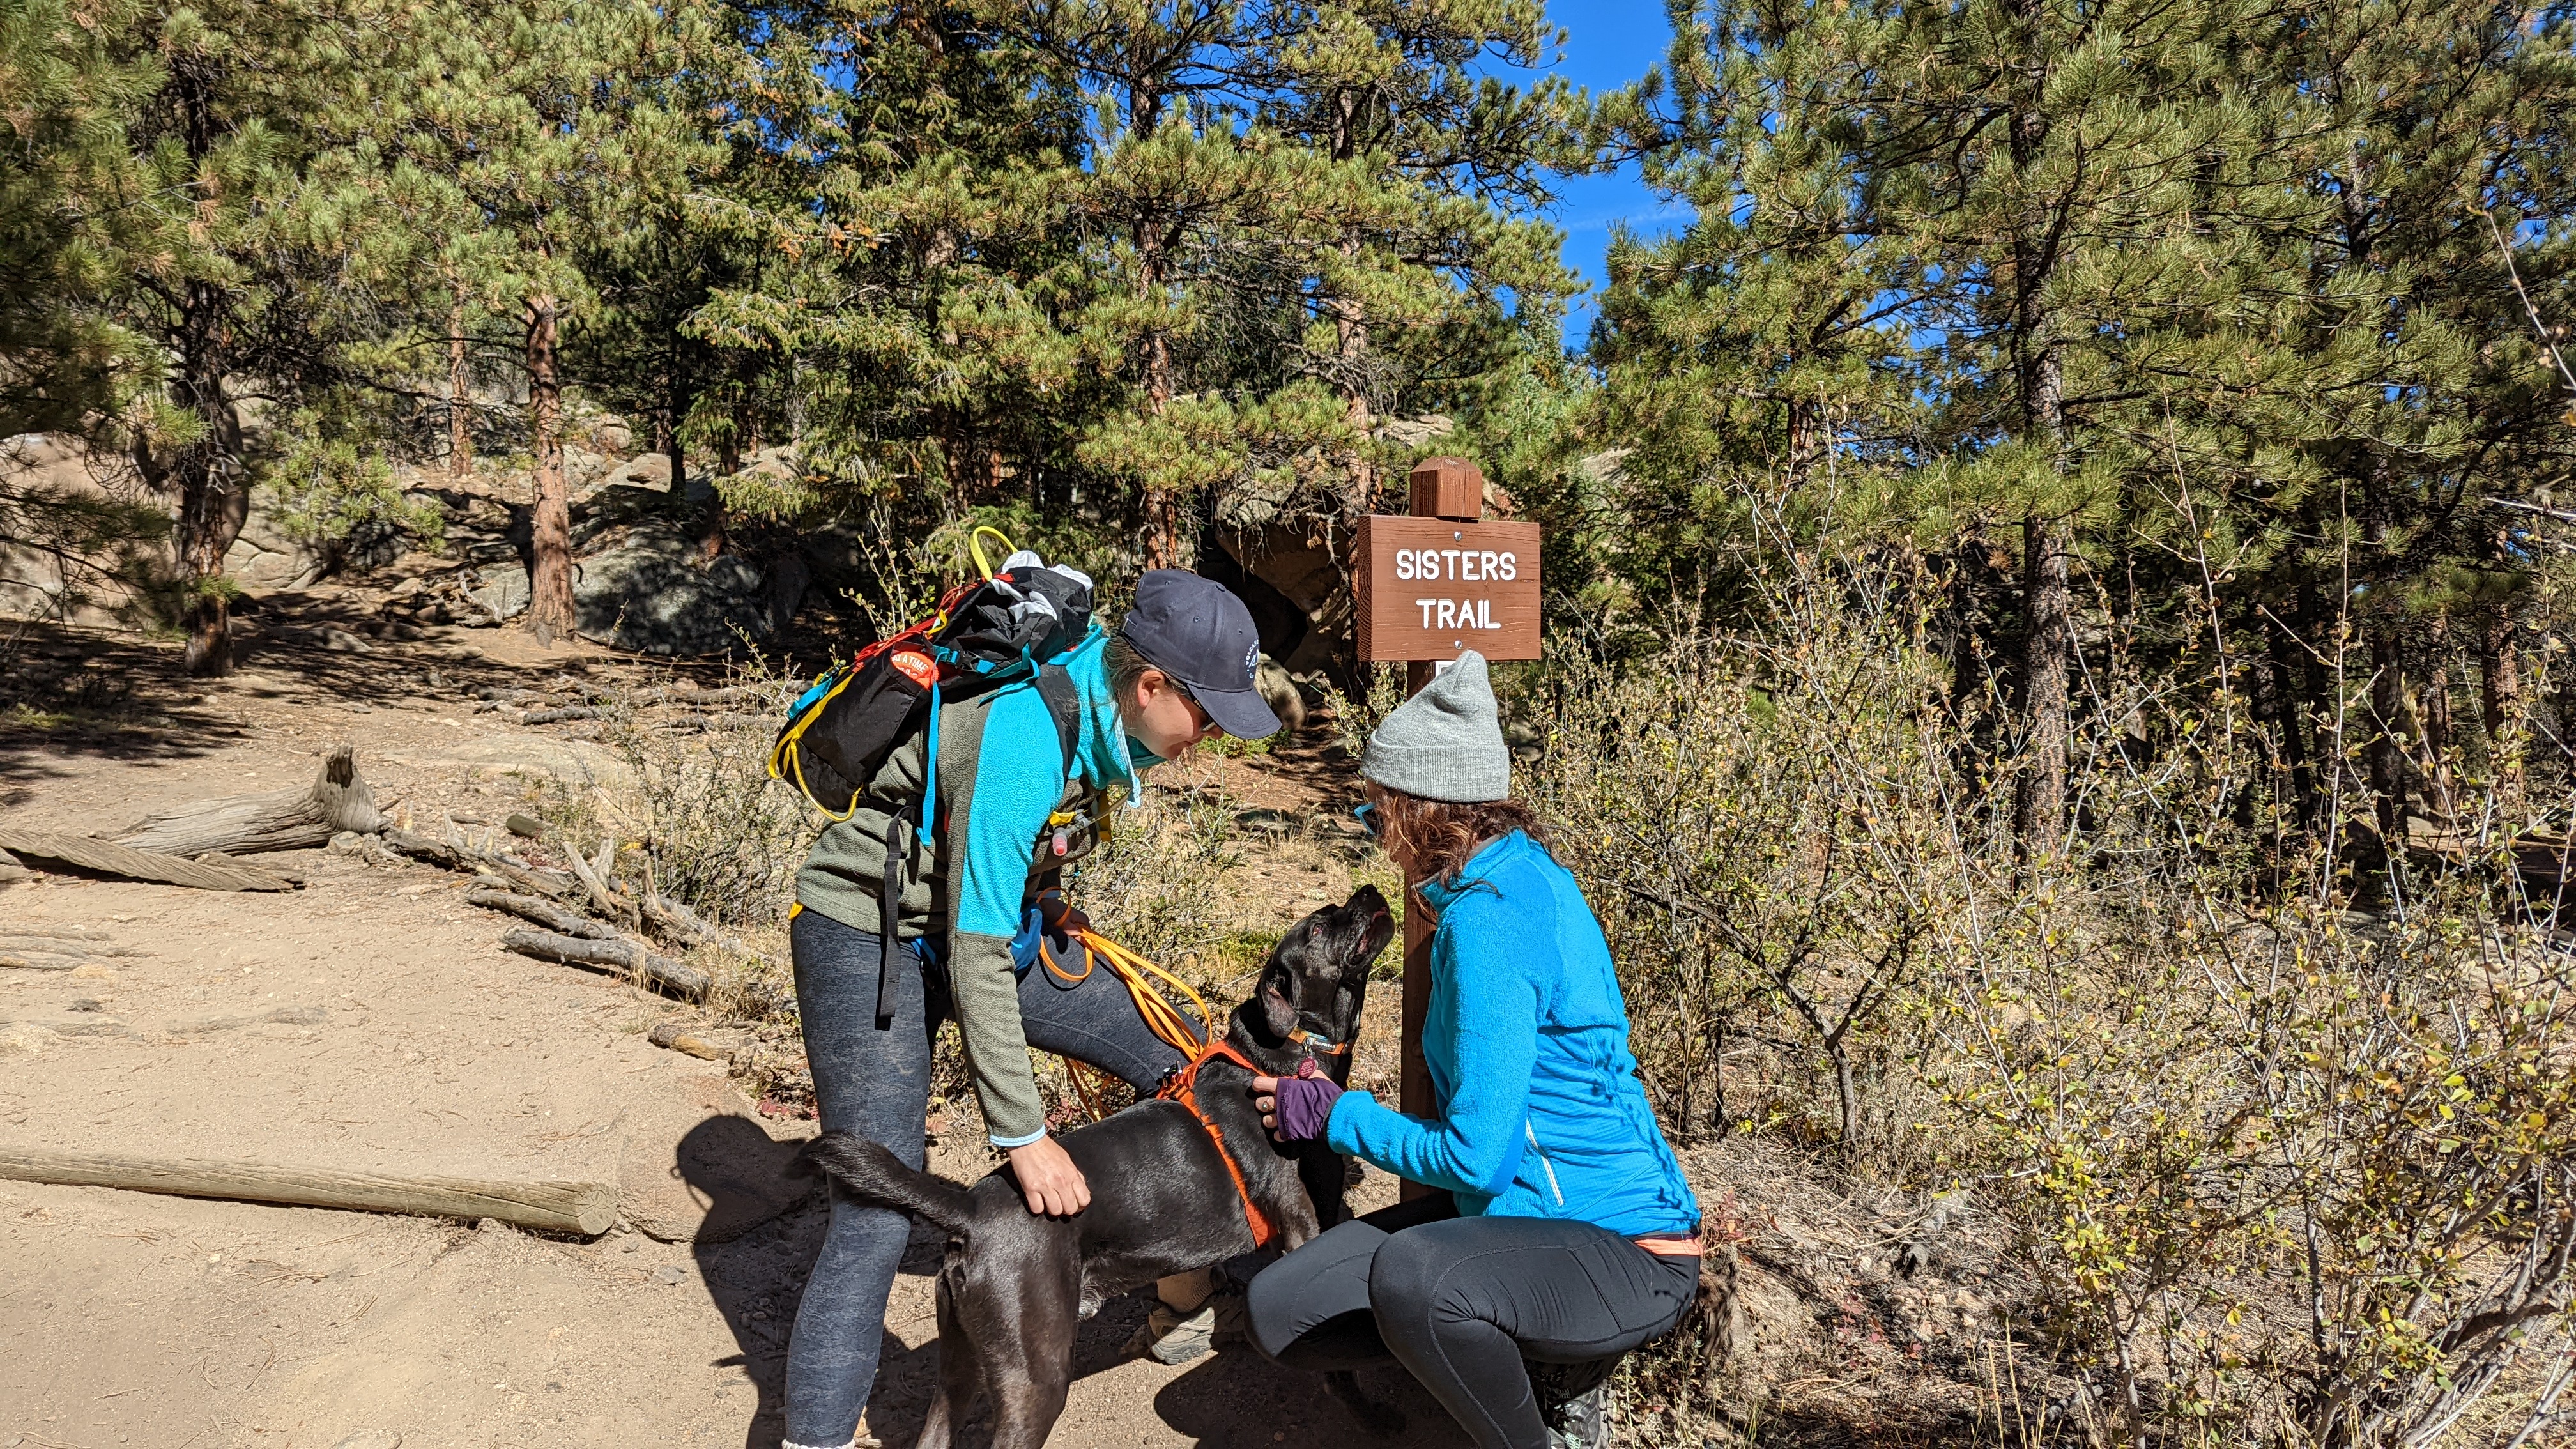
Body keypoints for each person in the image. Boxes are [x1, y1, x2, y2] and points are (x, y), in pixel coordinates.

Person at [782, 568, 1281, 1449]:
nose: (1209, 738)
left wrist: (1047, 899)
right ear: (1151, 685)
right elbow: (973, 950)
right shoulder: (1028, 733)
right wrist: (1022, 1135)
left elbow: (1001, 861)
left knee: (1187, 1063)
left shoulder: (1099, 706)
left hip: (986, 926)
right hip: (869, 934)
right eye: (1207, 715)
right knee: (874, 1213)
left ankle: (1183, 1303)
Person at [1244, 652, 1703, 1449]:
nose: (1377, 836)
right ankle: (1509, 1353)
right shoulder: (1514, 874)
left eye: (1375, 813)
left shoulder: (1489, 923)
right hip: (1524, 1223)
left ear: (1419, 810)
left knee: (1417, 1279)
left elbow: (1476, 1158)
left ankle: (1548, 1416)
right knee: (1281, 1309)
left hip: (1625, 1248)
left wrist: (1335, 1115)